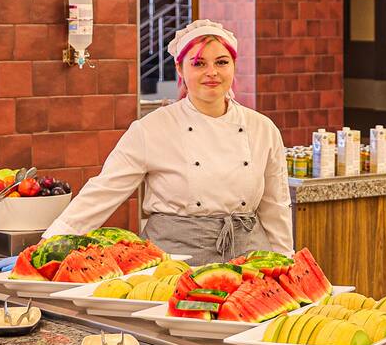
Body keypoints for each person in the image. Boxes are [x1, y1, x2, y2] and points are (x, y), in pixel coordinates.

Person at [41, 19, 292, 260]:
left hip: (249, 259)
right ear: (180, 69)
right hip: (174, 260)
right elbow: (103, 191)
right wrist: (49, 243)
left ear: (234, 66)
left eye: (222, 62)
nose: (212, 72)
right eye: (198, 63)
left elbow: (276, 206)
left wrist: (285, 262)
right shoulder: (151, 129)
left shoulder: (263, 129)